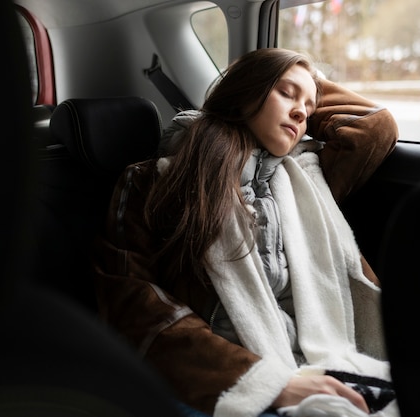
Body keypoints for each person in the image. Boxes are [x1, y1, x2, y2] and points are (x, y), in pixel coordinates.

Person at [92, 48, 399, 417]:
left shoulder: (308, 176)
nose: (303, 113)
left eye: (311, 108)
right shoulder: (153, 180)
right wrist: (267, 382)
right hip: (223, 375)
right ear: (244, 92)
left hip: (317, 357)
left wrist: (303, 79)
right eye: (286, 92)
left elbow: (374, 126)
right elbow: (133, 306)